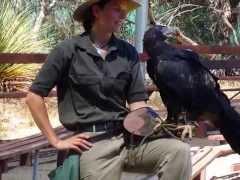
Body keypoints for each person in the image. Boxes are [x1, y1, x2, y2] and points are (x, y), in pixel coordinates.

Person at [25, 0, 192, 179]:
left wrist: (157, 126)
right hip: (92, 144)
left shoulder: (127, 53)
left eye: (125, 10)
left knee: (178, 151)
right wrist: (56, 141)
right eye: (117, 9)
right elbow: (33, 97)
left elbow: (137, 103)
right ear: (96, 11)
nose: (124, 15)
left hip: (128, 139)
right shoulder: (67, 50)